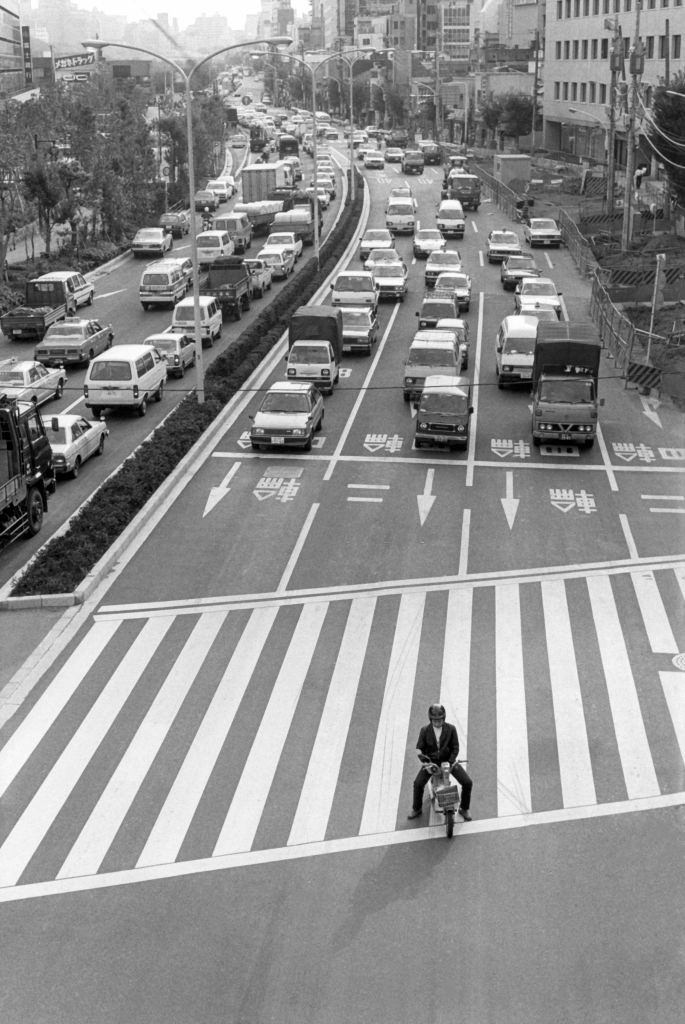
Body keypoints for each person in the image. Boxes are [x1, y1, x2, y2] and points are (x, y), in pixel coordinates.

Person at [407, 703, 473, 821]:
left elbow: (455, 747)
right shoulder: (424, 730)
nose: (437, 723)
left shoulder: (451, 729)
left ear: (444, 718)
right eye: (434, 720)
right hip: (432, 764)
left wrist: (451, 762)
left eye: (439, 720)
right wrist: (426, 762)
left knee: (467, 782)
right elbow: (419, 748)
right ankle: (416, 808)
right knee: (418, 784)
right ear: (430, 719)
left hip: (448, 763)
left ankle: (464, 808)